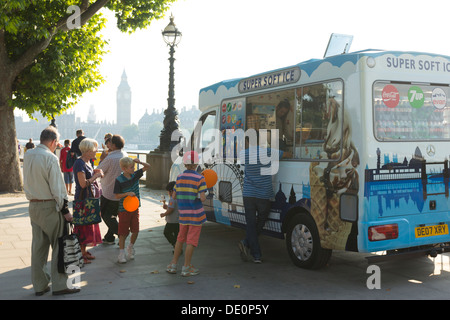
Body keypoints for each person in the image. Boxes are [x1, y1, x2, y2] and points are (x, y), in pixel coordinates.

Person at [23, 126, 80, 296]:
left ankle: (40, 285)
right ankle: (60, 284)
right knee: (59, 245)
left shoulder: (28, 155)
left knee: (38, 247)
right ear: (54, 142)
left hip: (33, 205)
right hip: (50, 206)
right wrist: (65, 210)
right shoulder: (50, 157)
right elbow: (58, 188)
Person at [238, 133, 291, 263]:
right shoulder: (267, 152)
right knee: (261, 220)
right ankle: (248, 245)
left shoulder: (243, 154)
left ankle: (255, 253)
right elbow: (287, 155)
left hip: (248, 194)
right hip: (263, 194)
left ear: (247, 141)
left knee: (250, 223)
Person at [166, 151, 207, 277]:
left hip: (183, 214)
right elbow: (203, 198)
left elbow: (174, 195)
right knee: (191, 241)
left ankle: (173, 264)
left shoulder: (179, 177)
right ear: (197, 164)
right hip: (196, 215)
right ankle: (186, 267)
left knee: (180, 238)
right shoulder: (200, 178)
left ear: (184, 163)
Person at [73, 138, 104, 264]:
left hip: (89, 200)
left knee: (87, 224)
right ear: (87, 150)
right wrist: (95, 176)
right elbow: (83, 183)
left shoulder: (87, 162)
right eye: (94, 149)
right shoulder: (79, 163)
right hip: (83, 200)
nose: (96, 151)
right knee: (83, 226)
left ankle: (84, 251)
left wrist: (95, 172)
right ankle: (80, 254)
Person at [114, 157, 150, 263]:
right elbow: (116, 196)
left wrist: (140, 162)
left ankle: (130, 247)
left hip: (135, 208)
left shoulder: (135, 175)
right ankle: (121, 253)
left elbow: (148, 166)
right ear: (124, 169)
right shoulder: (119, 180)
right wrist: (127, 193)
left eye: (134, 167)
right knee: (123, 233)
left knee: (136, 230)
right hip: (123, 209)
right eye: (131, 167)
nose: (133, 169)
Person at [96, 135, 127, 244]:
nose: (107, 145)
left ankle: (121, 234)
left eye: (109, 143)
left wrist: (101, 159)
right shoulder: (125, 155)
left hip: (109, 191)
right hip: (123, 192)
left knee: (105, 215)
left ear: (113, 145)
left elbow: (98, 171)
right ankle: (109, 237)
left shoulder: (109, 158)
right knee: (114, 214)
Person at [160, 181, 180, 251]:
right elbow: (172, 208)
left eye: (168, 191)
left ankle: (175, 244)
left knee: (167, 232)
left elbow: (171, 209)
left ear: (171, 191)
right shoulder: (179, 198)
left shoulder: (172, 199)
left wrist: (164, 214)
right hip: (178, 221)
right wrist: (167, 207)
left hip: (172, 221)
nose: (168, 193)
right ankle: (178, 248)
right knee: (177, 235)